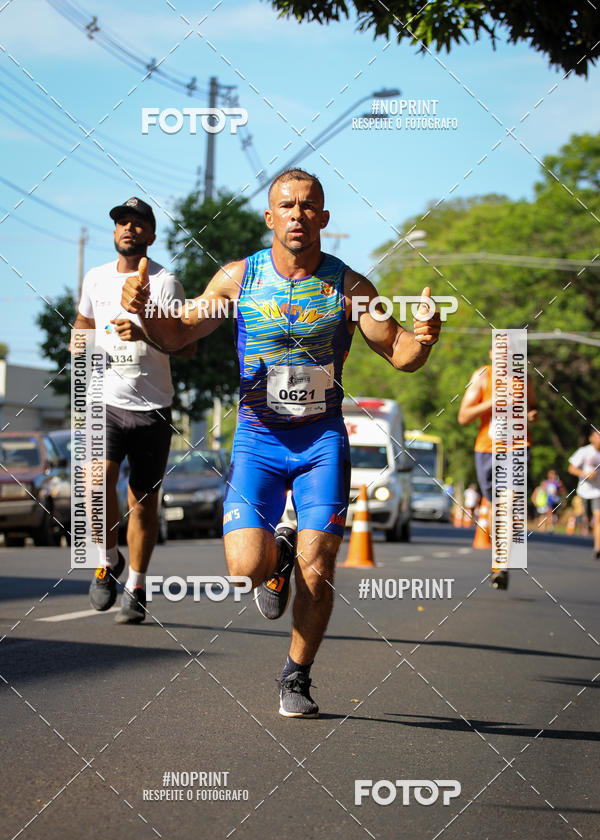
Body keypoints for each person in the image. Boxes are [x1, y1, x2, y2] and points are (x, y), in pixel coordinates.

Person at [121, 167, 441, 717]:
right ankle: (276, 558)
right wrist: (145, 309)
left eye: (308, 205)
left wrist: (426, 338)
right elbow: (178, 333)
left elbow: (400, 352)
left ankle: (297, 675)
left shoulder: (351, 288)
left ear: (324, 217)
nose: (298, 214)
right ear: (270, 217)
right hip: (258, 440)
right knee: (244, 569)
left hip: (321, 443)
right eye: (287, 206)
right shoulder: (237, 279)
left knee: (319, 568)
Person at [72, 197, 193, 623]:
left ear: (151, 235)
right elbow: (84, 324)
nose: (129, 228)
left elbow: (186, 345)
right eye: (122, 222)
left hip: (152, 406)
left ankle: (137, 585)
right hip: (104, 401)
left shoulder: (166, 283)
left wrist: (142, 333)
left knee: (142, 502)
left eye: (138, 223)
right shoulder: (95, 278)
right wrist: (79, 345)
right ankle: (107, 560)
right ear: (114, 232)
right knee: (95, 485)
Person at [458, 350, 538, 590]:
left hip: (517, 447)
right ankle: (498, 562)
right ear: (493, 353)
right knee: (495, 506)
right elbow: (463, 417)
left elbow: (534, 407)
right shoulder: (483, 376)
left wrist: (532, 414)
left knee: (508, 502)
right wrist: (494, 402)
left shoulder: (525, 379)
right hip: (487, 449)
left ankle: (502, 565)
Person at [568, 429, 600, 558]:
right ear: (591, 438)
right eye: (598, 436)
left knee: (598, 518)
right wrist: (585, 474)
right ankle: (588, 525)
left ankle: (597, 547)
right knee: (587, 519)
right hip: (584, 491)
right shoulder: (584, 451)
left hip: (598, 491)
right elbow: (571, 468)